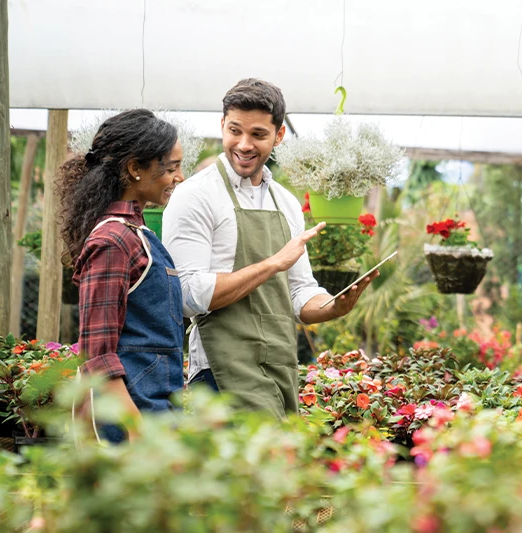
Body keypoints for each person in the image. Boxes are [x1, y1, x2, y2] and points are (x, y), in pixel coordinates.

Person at [162, 78, 375, 418]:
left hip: (278, 370)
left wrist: (332, 307)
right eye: (235, 131)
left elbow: (299, 292)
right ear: (222, 126)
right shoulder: (195, 196)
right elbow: (185, 295)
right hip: (220, 374)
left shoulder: (286, 203)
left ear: (278, 136)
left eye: (258, 135)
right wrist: (273, 263)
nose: (244, 144)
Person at [59, 109, 186, 442]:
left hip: (155, 408)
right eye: (171, 168)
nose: (179, 177)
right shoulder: (113, 241)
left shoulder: (137, 233)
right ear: (135, 169)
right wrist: (137, 431)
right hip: (128, 422)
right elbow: (97, 356)